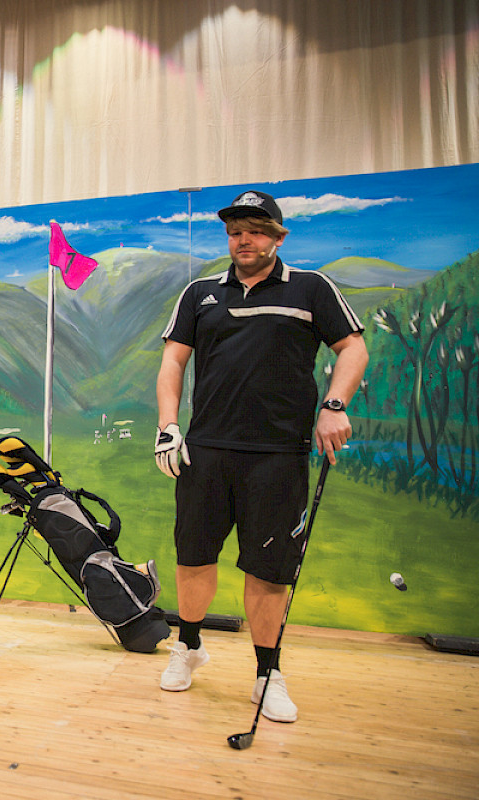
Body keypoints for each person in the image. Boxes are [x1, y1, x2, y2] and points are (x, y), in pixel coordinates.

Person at [154, 190, 368, 722]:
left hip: (277, 454)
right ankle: (188, 645)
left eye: (253, 230)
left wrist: (334, 405)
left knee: (269, 569)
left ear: (278, 237)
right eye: (234, 232)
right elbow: (173, 362)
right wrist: (168, 426)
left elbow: (353, 348)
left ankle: (267, 673)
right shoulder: (200, 293)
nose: (242, 240)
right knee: (193, 556)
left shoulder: (311, 288)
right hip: (206, 450)